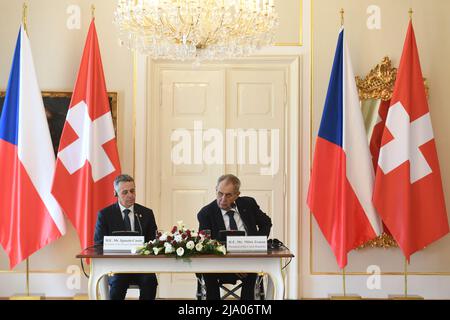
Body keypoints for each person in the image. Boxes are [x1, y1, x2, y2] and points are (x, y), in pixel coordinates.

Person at [197, 174, 272, 300]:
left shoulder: (248, 204)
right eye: (220, 193)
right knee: (208, 272)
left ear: (237, 194)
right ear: (216, 190)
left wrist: (258, 242)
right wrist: (232, 263)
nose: (222, 199)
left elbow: (266, 223)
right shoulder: (206, 213)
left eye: (228, 195)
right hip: (219, 263)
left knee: (252, 272)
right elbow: (206, 244)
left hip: (248, 260)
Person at [94, 174, 158, 300]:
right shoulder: (105, 214)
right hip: (118, 266)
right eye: (125, 192)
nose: (130, 195)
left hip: (142, 266)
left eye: (132, 191)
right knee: (118, 283)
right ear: (115, 194)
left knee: (150, 281)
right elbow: (99, 243)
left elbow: (153, 241)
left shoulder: (146, 213)